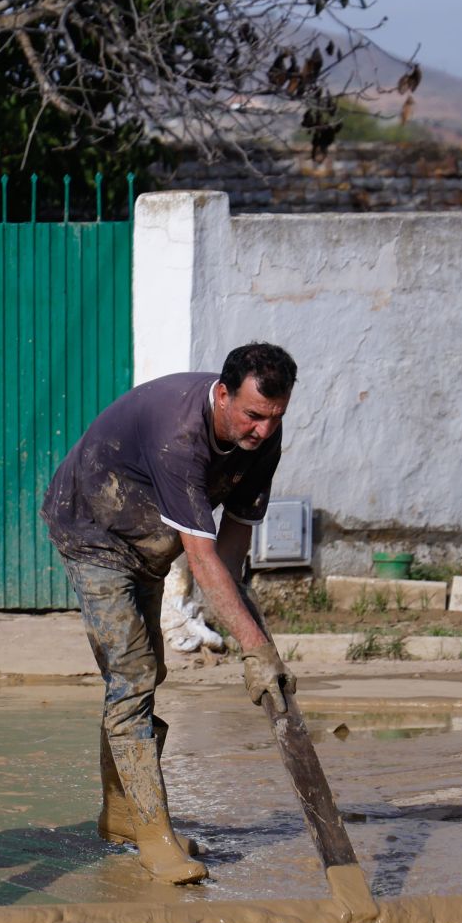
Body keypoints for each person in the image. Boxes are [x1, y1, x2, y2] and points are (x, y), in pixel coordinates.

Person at [42, 343, 298, 884]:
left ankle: (120, 815)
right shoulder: (179, 434)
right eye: (253, 415)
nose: (263, 430)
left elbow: (230, 554)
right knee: (132, 675)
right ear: (224, 395)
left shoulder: (263, 442)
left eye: (276, 418)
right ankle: (154, 836)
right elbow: (203, 562)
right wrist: (253, 649)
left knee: (145, 673)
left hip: (149, 544)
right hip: (93, 532)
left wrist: (260, 647)